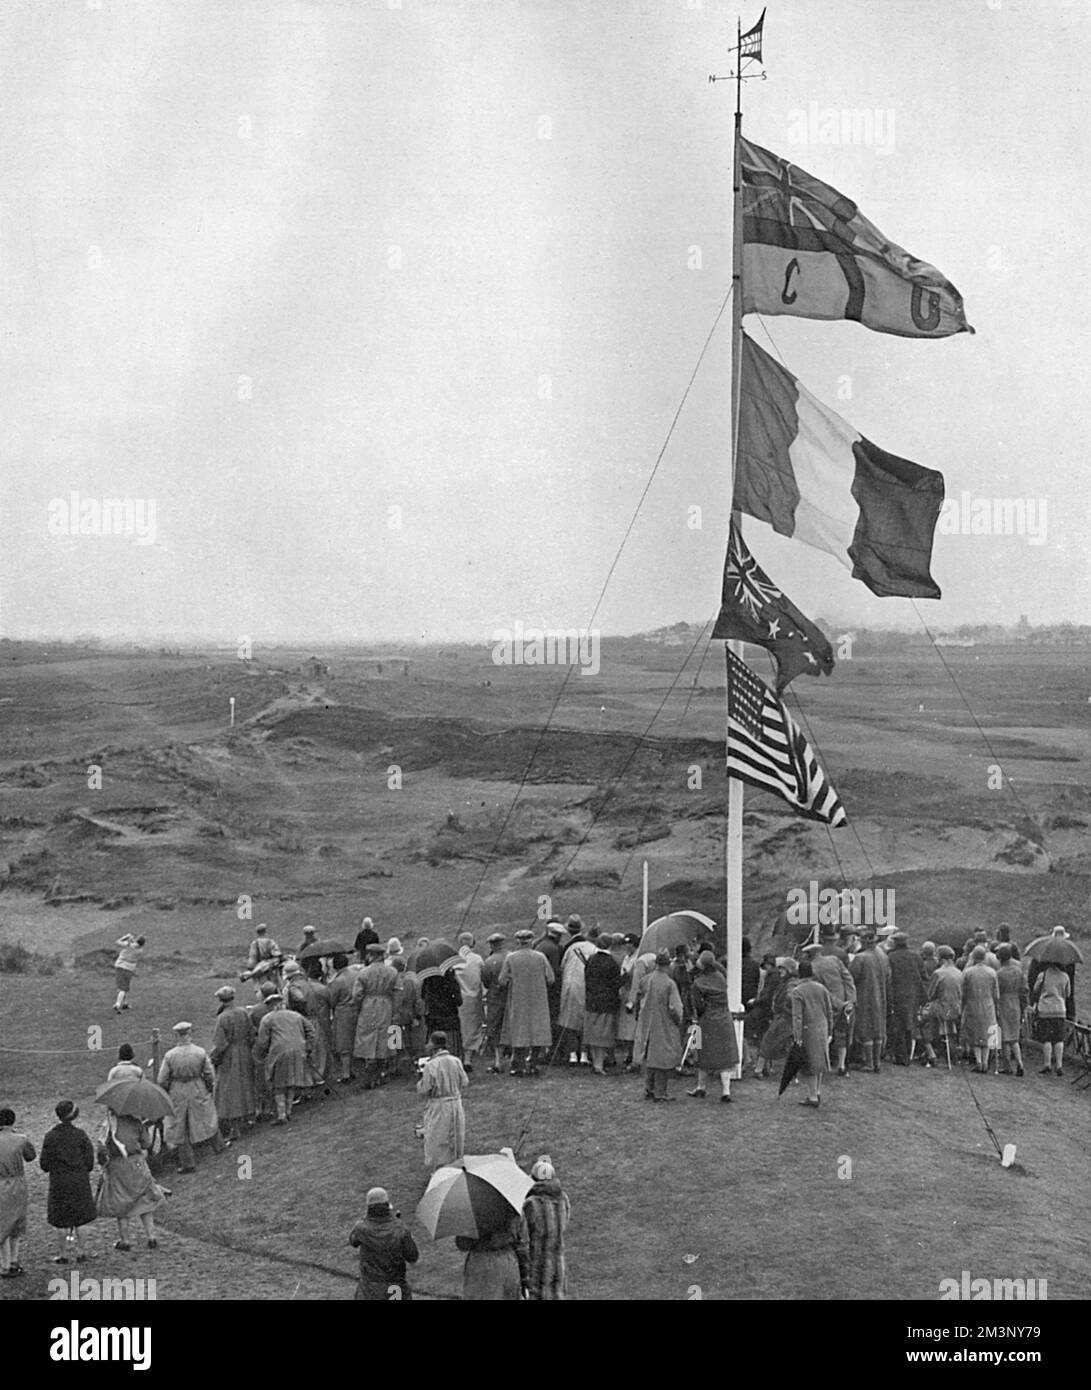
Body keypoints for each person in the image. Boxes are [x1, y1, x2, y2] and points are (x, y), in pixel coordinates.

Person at [95, 1111, 167, 1251]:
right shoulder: (136, 1123)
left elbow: (102, 1148)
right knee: (145, 1200)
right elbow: (146, 1144)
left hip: (118, 1165)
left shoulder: (109, 1124)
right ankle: (151, 1236)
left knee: (121, 1201)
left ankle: (125, 1240)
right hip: (137, 1164)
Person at [157, 1022, 223, 1171]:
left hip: (178, 1089)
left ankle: (188, 1162)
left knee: (180, 1124)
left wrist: (169, 1088)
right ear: (190, 1034)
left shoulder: (170, 1055)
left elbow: (162, 1079)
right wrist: (208, 1086)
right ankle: (219, 1146)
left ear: (177, 1036)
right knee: (206, 1117)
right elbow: (209, 1074)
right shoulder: (199, 1052)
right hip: (197, 1086)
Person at [40, 1100, 96, 1263]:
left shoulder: (50, 1136)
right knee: (82, 1217)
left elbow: (44, 1164)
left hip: (59, 1181)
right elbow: (90, 1162)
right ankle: (81, 1251)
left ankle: (63, 1254)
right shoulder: (81, 1135)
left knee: (61, 1219)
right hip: (79, 1179)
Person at [499, 929, 554, 1076]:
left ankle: (520, 1064)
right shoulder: (540, 957)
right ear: (531, 941)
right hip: (538, 999)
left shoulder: (511, 958)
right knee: (537, 1031)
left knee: (519, 1030)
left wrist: (513, 977)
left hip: (519, 1000)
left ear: (518, 942)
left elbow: (502, 980)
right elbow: (551, 978)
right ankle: (533, 1063)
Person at [254, 993, 315, 1124]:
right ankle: (288, 1111)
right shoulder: (296, 1015)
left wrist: (262, 1054)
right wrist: (308, 1047)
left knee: (278, 1084)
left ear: (271, 1005)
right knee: (291, 1080)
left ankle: (282, 1115)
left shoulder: (267, 1019)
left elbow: (262, 1041)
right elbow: (311, 1030)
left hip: (279, 1052)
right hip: (299, 1050)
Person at [349, 1187, 419, 1301]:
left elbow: (353, 1241)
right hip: (395, 1287)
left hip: (369, 1289)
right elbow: (413, 1256)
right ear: (387, 1205)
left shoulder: (361, 1228)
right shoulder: (400, 1228)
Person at [688, 950, 740, 1102]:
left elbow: (698, 1006)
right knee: (724, 1055)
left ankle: (701, 1087)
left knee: (702, 1053)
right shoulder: (721, 977)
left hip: (707, 1020)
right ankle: (726, 1091)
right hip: (724, 1017)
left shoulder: (698, 983)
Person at [634, 949, 684, 1102]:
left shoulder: (645, 980)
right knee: (662, 1059)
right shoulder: (669, 984)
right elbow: (676, 1008)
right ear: (668, 965)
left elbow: (637, 997)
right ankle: (660, 1091)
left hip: (646, 1023)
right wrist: (678, 1020)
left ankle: (649, 1088)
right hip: (663, 1024)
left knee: (649, 1057)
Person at [209, 985, 257, 1140]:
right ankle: (249, 1116)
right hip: (245, 1052)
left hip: (230, 1056)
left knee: (229, 1089)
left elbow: (220, 1044)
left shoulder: (223, 1017)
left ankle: (235, 1127)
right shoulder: (243, 1012)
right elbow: (252, 1034)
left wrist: (214, 1057)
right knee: (246, 1084)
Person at [417, 1031, 468, 1172]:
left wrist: (419, 1080)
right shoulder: (456, 1061)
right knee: (456, 1138)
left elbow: (425, 1089)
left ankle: (440, 1171)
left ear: (433, 1045)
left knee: (437, 1139)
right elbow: (464, 1081)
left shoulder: (431, 1065)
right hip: (456, 1104)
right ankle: (456, 1168)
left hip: (439, 1105)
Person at [522, 1155, 570, 1300]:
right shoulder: (563, 1199)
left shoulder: (530, 1204)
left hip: (536, 1268)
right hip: (557, 1266)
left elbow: (523, 1234)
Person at [352, 943, 398, 1088]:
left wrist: (360, 1005)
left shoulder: (364, 972)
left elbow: (356, 994)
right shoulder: (392, 972)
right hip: (386, 1004)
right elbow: (397, 990)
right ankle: (383, 1070)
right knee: (387, 1034)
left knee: (368, 1036)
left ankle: (369, 1072)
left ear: (371, 955)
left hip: (369, 1005)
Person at [807, 941, 856, 1077]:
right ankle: (841, 1065)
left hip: (827, 1004)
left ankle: (823, 1064)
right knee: (842, 1034)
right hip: (845, 1003)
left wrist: (839, 1003)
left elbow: (822, 990)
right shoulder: (835, 960)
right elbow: (848, 979)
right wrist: (850, 1001)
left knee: (824, 1034)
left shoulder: (811, 967)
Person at [456, 1212, 529, 1300]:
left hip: (478, 1264)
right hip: (506, 1262)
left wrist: (479, 1240)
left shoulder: (470, 1208)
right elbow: (522, 1244)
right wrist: (525, 1276)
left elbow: (461, 1243)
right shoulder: (512, 1207)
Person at [791, 959, 834, 1107]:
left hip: (807, 1029)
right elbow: (829, 1010)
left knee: (809, 1064)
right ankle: (817, 1091)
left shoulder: (797, 991)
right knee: (820, 1062)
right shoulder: (822, 988)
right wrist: (830, 1030)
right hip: (823, 1027)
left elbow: (797, 1016)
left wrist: (797, 1036)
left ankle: (812, 1096)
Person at [284, 960, 333, 1092]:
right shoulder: (308, 983)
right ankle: (318, 1077)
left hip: (302, 1020)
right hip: (315, 1019)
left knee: (305, 1050)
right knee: (317, 1048)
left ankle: (308, 1082)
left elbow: (300, 999)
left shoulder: (293, 987)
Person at [0, 1109, 35, 1278]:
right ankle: (14, 1261)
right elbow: (31, 1156)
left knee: (2, 1224)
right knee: (17, 1223)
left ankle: (4, 1264)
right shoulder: (21, 1139)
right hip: (18, 1183)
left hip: (0, 1184)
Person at [848, 932, 889, 1073]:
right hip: (881, 996)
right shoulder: (883, 956)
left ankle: (869, 1063)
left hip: (865, 996)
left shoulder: (861, 958)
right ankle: (877, 1063)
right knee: (877, 1029)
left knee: (865, 1028)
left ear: (864, 942)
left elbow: (851, 977)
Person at [582, 934, 621, 1074]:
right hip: (607, 1003)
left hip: (591, 1001)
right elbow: (616, 983)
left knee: (592, 1034)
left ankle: (595, 1062)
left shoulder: (591, 960)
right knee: (603, 1036)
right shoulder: (612, 962)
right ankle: (598, 1064)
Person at [886, 932, 927, 1066]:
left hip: (898, 994)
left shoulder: (891, 956)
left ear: (896, 943)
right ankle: (908, 1054)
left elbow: (889, 978)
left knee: (898, 1025)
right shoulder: (916, 956)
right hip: (913, 995)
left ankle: (900, 1056)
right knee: (910, 1024)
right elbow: (923, 976)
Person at [1027, 925, 1080, 1023]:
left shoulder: (1040, 958)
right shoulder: (1070, 960)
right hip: (1061, 1007)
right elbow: (1069, 991)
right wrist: (1071, 1012)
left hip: (1043, 1006)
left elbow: (1031, 981)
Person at [558, 930, 596, 1066]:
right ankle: (584, 1054)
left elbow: (562, 967)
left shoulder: (570, 949)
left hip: (568, 986)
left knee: (569, 1020)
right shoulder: (593, 949)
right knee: (585, 1020)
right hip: (585, 986)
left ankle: (572, 1054)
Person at [755, 960, 798, 1078]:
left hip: (784, 1018)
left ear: (790, 970)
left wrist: (785, 1005)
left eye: (783, 969)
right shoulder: (785, 982)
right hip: (784, 1017)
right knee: (786, 1045)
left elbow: (790, 995)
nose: (780, 971)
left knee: (768, 1041)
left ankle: (759, 1069)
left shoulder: (791, 983)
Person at [961, 945, 1000, 1073]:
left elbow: (963, 992)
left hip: (972, 1004)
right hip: (988, 1004)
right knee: (987, 1033)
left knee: (975, 1032)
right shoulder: (992, 972)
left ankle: (978, 1061)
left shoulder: (968, 972)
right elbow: (996, 994)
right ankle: (985, 1062)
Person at [923, 946, 963, 1065]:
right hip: (956, 1009)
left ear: (942, 959)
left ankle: (931, 1053)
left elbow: (930, 994)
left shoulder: (938, 973)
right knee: (949, 1030)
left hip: (942, 1009)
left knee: (921, 1022)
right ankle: (952, 1054)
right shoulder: (959, 973)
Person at [247, 981, 280, 1119]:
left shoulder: (255, 1010)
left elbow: (250, 1029)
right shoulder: (279, 1007)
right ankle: (274, 1107)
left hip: (260, 1047)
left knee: (260, 1078)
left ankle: (261, 1108)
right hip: (276, 1044)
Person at [1031, 963, 1071, 1077]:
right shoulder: (1065, 976)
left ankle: (1047, 1064)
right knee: (1059, 1038)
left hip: (1045, 1009)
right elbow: (1068, 994)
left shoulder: (1042, 975)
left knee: (1046, 1038)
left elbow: (1035, 989)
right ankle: (1059, 1065)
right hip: (1060, 1010)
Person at [328, 952, 362, 1083]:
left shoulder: (337, 981)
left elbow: (332, 1000)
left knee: (344, 1043)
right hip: (358, 1009)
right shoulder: (356, 975)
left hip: (343, 1012)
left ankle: (346, 1073)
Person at [995, 944, 1027, 1077]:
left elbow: (996, 991)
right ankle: (1020, 1063)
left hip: (1003, 1002)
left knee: (1005, 1037)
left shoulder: (999, 973)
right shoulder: (1018, 971)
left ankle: (1007, 1066)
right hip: (1016, 1002)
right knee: (1014, 1037)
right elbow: (1025, 989)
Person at [455, 932, 485, 1072]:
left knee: (459, 1027)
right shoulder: (477, 959)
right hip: (473, 998)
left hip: (457, 998)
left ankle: (458, 1056)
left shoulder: (453, 960)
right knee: (472, 1027)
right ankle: (467, 1058)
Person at [480, 931, 509, 1073]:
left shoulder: (489, 961)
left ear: (492, 945)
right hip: (511, 997)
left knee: (495, 1029)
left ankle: (498, 1061)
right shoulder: (511, 957)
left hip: (495, 999)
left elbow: (485, 982)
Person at [420, 967, 464, 1060]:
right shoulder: (451, 980)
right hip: (450, 1017)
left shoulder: (428, 980)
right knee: (452, 1046)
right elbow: (459, 1001)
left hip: (434, 1018)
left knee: (434, 1043)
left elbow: (423, 996)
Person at [390, 957, 423, 1076]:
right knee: (409, 1042)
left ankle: (395, 1067)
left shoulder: (391, 981)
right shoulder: (410, 981)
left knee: (394, 1043)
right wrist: (416, 1015)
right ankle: (410, 1065)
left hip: (394, 1017)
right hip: (408, 1016)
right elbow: (416, 1000)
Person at [533, 920, 564, 1046]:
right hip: (551, 990)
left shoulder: (538, 944)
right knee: (552, 1019)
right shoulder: (554, 949)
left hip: (538, 987)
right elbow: (555, 971)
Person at [615, 934, 640, 1069]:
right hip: (625, 991)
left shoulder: (637, 959)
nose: (627, 947)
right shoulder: (626, 958)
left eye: (629, 945)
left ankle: (632, 1055)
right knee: (625, 1027)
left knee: (632, 1027)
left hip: (632, 992)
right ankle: (628, 1053)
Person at [112, 933, 145, 1014]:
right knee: (126, 987)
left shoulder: (128, 945)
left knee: (122, 989)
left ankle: (117, 1004)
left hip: (120, 967)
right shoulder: (140, 950)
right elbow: (135, 945)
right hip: (130, 969)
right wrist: (132, 940)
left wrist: (126, 937)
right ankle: (125, 1004)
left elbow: (117, 942)